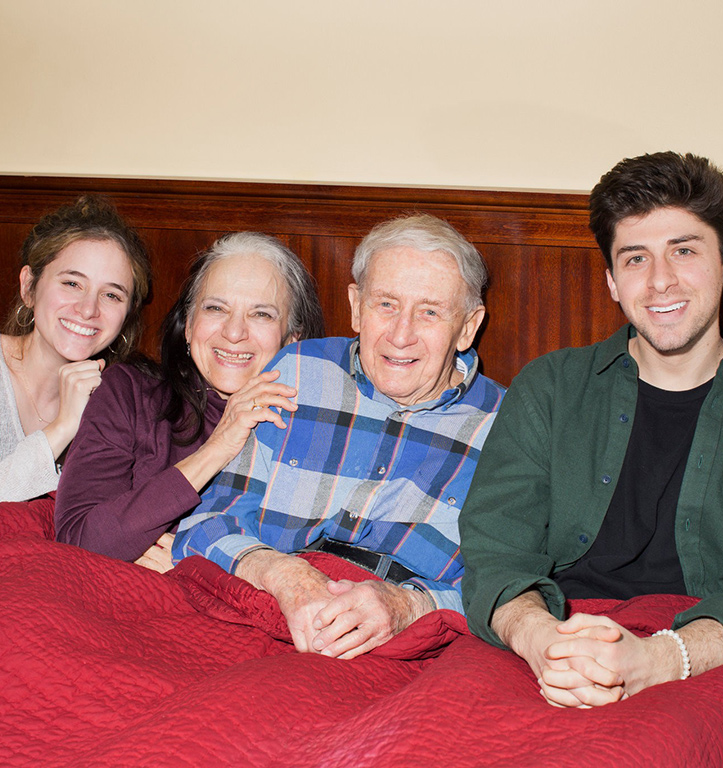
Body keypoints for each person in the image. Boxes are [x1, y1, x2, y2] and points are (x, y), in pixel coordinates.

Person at [460, 151, 723, 708]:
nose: (659, 281)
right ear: (610, 281)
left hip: (701, 661)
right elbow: (496, 550)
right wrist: (542, 642)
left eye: (684, 251)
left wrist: (660, 660)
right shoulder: (550, 386)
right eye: (635, 259)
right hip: (548, 641)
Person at [174, 213, 506, 658]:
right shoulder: (296, 372)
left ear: (467, 327)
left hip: (395, 646)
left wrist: (408, 605)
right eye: (385, 304)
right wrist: (281, 574)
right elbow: (205, 524)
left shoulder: (506, 427)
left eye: (429, 312)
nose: (401, 334)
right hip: (257, 608)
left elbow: (506, 587)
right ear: (355, 306)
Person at [55, 232, 324, 572]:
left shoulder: (319, 423)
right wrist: (218, 447)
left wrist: (196, 561)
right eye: (215, 308)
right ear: (188, 323)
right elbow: (81, 541)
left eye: (261, 315)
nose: (234, 332)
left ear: (292, 336)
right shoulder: (129, 392)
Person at [0, 195, 152, 502]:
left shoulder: (122, 400)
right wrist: (63, 426)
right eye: (72, 283)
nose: (87, 310)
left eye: (111, 295)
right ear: (29, 286)